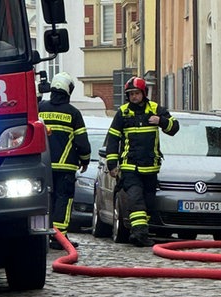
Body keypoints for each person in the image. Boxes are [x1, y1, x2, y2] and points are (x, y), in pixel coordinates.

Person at [106, 76, 179, 247]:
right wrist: (112, 164)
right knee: (135, 198)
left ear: (143, 93)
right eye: (130, 94)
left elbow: (174, 128)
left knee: (149, 202)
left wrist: (161, 121)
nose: (134, 97)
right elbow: (113, 139)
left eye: (136, 93)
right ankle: (139, 234)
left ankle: (139, 230)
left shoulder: (155, 109)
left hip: (150, 167)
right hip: (130, 167)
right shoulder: (123, 113)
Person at [38, 72, 91, 250]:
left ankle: (42, 233)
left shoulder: (40, 108)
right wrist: (85, 160)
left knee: (45, 199)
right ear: (68, 90)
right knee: (64, 199)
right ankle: (60, 237)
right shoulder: (73, 113)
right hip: (66, 166)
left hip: (42, 165)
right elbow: (82, 142)